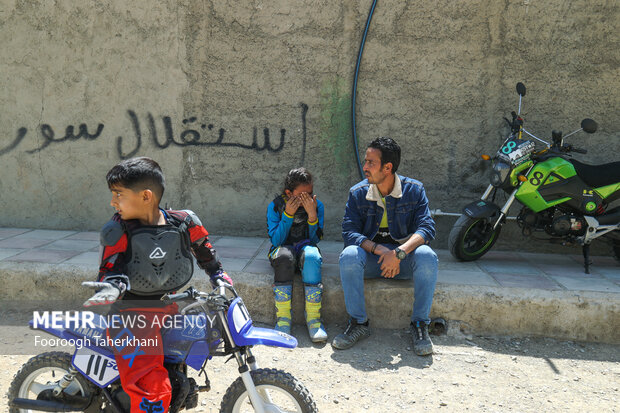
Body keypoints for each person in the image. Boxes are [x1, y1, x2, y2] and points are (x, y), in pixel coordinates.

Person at [82, 156, 232, 412]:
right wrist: (112, 286)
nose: (112, 201)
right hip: (131, 319)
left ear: (146, 196)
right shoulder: (117, 230)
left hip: (168, 310)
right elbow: (110, 269)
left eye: (118, 194)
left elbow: (205, 250)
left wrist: (219, 276)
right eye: (112, 194)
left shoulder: (183, 223)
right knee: (153, 388)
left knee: (200, 343)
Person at [332, 137, 438, 356]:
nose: (365, 167)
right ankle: (359, 324)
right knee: (349, 255)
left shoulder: (414, 190)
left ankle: (420, 325)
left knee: (427, 255)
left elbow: (427, 228)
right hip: (374, 260)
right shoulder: (358, 193)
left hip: (403, 261)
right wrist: (380, 250)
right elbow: (349, 232)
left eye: (371, 162)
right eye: (366, 161)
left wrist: (399, 253)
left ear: (387, 167)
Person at [266, 167, 327, 342]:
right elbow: (276, 240)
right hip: (283, 250)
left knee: (312, 257)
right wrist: (288, 215)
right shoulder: (275, 207)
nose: (307, 199)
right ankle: (283, 319)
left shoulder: (317, 206)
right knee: (283, 256)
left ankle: (314, 320)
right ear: (288, 193)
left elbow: (315, 240)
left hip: (305, 248)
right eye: (302, 195)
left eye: (310, 193)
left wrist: (312, 215)